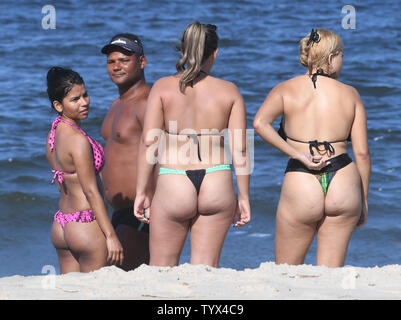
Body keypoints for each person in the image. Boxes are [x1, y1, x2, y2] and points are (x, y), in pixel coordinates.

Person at [133, 21, 251, 268]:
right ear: (215, 52)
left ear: (183, 49)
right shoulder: (230, 91)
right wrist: (244, 197)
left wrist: (142, 192)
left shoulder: (163, 87)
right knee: (206, 271)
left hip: (174, 178)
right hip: (216, 179)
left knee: (161, 268)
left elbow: (149, 142)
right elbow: (240, 148)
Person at [253, 29, 370, 268]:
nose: (343, 61)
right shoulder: (351, 94)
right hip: (344, 182)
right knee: (330, 275)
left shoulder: (285, 89)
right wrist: (364, 200)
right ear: (330, 57)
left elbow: (259, 123)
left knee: (286, 270)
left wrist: (296, 154)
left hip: (302, 178)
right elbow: (362, 154)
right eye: (341, 55)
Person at [46, 66, 123, 274]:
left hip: (62, 223)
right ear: (58, 105)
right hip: (85, 224)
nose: (85, 102)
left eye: (85, 95)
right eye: (75, 99)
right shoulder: (78, 141)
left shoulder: (53, 134)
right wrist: (111, 235)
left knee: (71, 293)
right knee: (94, 292)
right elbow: (90, 191)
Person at [100, 34, 154, 270]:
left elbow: (164, 154)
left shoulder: (148, 103)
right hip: (117, 212)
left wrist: (154, 201)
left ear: (141, 62)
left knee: (113, 275)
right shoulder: (116, 105)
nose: (116, 66)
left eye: (124, 60)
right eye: (111, 62)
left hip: (141, 212)